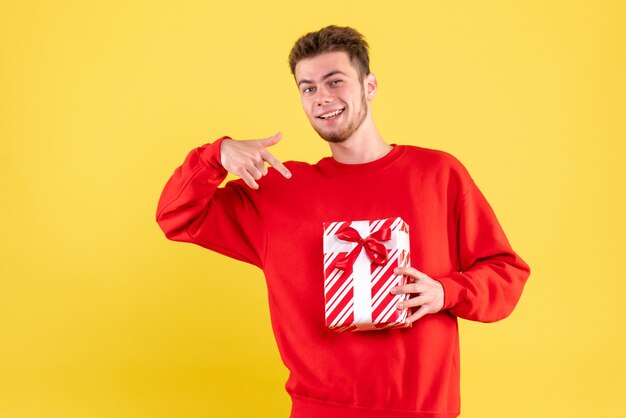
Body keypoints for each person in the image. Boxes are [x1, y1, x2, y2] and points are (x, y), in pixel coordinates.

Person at [155, 25, 530, 418]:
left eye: (335, 81)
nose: (322, 98)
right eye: (309, 88)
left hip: (423, 410)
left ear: (369, 86)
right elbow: (176, 215)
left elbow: (506, 274)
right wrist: (217, 155)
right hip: (321, 410)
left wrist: (446, 291)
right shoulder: (279, 189)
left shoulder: (438, 174)